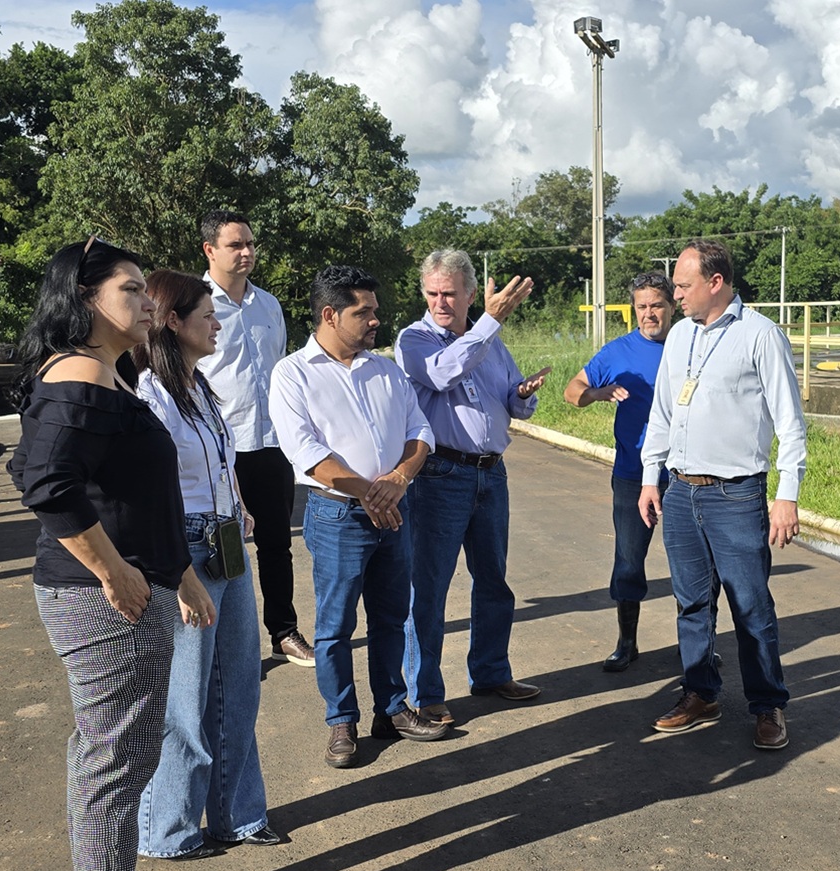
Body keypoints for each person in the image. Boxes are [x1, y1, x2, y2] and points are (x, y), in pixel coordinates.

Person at [8, 237, 215, 871]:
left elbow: (131, 494)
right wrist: (115, 569)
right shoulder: (81, 374)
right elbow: (44, 483)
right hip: (99, 601)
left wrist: (179, 576)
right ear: (85, 298)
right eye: (130, 289)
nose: (145, 302)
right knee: (109, 769)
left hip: (135, 586)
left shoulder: (107, 375)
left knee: (122, 762)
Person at [271, 265, 448, 768]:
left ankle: (391, 710)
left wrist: (398, 480)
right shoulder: (293, 374)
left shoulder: (386, 369)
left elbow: (420, 430)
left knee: (393, 615)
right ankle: (341, 720)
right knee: (335, 625)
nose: (375, 319)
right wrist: (370, 492)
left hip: (394, 510)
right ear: (329, 314)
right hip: (337, 516)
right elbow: (303, 450)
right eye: (363, 311)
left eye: (374, 310)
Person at [131, 269, 278, 860]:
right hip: (184, 549)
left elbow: (222, 464)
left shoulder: (199, 389)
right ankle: (167, 829)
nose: (218, 324)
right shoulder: (151, 396)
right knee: (186, 698)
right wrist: (179, 574)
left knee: (239, 684)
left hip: (224, 541)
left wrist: (238, 509)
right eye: (207, 315)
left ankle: (238, 816)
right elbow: (151, 494)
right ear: (173, 321)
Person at [638, 239, 807, 751]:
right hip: (681, 492)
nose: (675, 295)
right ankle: (700, 693)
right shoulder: (679, 337)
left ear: (715, 283)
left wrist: (787, 494)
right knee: (691, 603)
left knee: (751, 606)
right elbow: (663, 412)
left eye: (683, 286)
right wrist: (651, 476)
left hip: (736, 495)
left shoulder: (760, 335)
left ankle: (768, 705)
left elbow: (791, 422)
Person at [395, 249, 549, 726]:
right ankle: (425, 693)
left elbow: (509, 399)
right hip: (440, 473)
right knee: (430, 588)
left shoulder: (491, 342)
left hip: (491, 471)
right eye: (432, 293)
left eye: (450, 293)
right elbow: (442, 373)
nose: (441, 302)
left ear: (468, 293)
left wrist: (522, 396)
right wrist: (489, 322)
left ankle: (489, 671)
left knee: (493, 581)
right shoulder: (414, 339)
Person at [197, 209, 314, 668]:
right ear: (210, 250)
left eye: (250, 243)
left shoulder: (269, 305)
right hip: (219, 447)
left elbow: (282, 371)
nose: (246, 252)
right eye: (235, 245)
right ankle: (227, 647)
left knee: (276, 543)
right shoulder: (194, 306)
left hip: (271, 442)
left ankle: (283, 632)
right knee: (221, 545)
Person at [564, 271, 675, 671]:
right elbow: (572, 391)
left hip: (685, 475)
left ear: (672, 307)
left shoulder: (690, 344)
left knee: (693, 565)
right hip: (633, 472)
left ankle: (698, 642)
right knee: (629, 560)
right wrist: (598, 392)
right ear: (634, 310)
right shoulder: (617, 352)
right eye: (642, 306)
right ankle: (627, 643)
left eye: (657, 305)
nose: (649, 314)